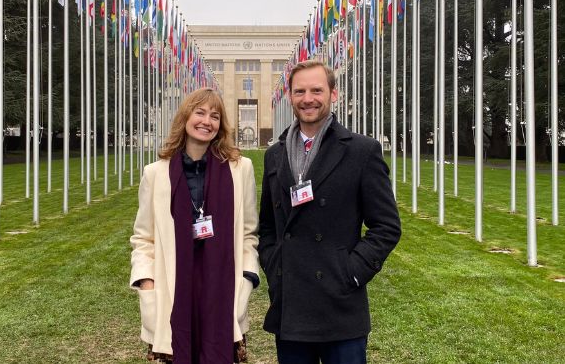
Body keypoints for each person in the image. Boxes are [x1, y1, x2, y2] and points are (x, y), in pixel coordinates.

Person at [258, 60, 401, 364]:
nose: (307, 98)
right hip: (292, 305)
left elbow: (386, 226)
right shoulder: (274, 155)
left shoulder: (362, 151)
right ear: (290, 96)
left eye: (316, 90)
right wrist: (275, 266)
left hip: (340, 306)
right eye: (300, 91)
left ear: (333, 94)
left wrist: (350, 272)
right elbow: (268, 226)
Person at [130, 87, 260, 364]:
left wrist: (247, 278)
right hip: (173, 286)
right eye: (199, 112)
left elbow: (249, 232)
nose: (207, 121)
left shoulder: (241, 169)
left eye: (215, 116)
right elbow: (143, 237)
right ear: (185, 118)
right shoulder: (155, 174)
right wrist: (146, 281)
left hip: (222, 286)